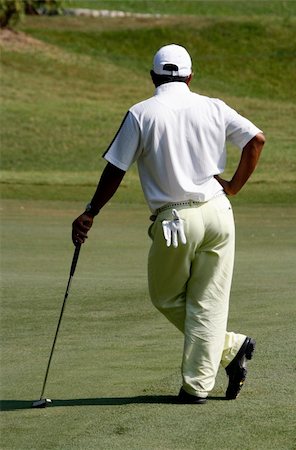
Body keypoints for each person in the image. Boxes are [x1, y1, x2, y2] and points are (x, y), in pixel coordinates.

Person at [72, 44, 265, 404]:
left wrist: (91, 211)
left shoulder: (141, 113)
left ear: (152, 76)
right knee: (207, 302)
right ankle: (211, 369)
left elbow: (116, 168)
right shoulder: (213, 106)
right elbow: (256, 139)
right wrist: (234, 187)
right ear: (191, 77)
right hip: (219, 213)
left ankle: (217, 363)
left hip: (175, 220)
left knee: (165, 296)